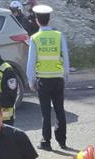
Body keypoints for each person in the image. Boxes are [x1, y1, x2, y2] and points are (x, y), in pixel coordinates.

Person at [27, 4, 70, 151]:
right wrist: (66, 76)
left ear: (37, 20)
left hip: (43, 81)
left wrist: (31, 81)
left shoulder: (35, 38)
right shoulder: (58, 36)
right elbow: (65, 57)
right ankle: (62, 141)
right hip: (58, 79)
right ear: (50, 18)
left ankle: (46, 142)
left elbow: (31, 63)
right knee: (60, 110)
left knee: (46, 113)